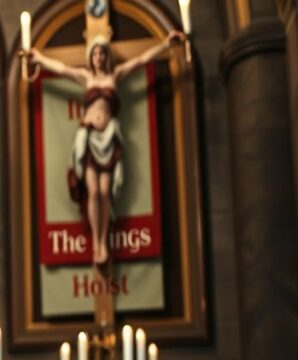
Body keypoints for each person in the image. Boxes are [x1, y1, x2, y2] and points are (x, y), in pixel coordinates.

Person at [30, 31, 183, 265]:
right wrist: (39, 58)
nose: (99, 57)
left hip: (108, 138)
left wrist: (164, 44)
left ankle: (104, 241)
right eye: (95, 53)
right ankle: (97, 245)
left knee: (104, 191)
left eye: (102, 53)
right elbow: (61, 69)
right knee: (93, 192)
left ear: (107, 56)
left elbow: (141, 60)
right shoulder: (86, 77)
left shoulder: (115, 75)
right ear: (90, 57)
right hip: (90, 137)